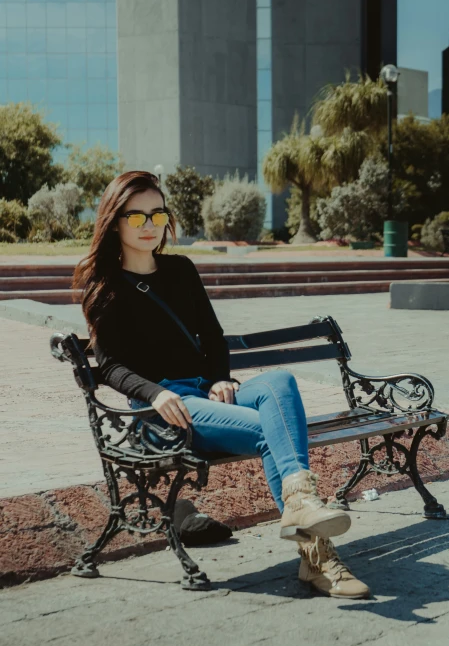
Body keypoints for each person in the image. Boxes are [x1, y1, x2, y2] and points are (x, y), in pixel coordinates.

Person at [73, 171, 370, 600]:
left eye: (157, 213)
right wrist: (156, 393)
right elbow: (113, 366)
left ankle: (300, 501)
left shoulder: (180, 270)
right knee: (275, 433)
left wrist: (219, 379)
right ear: (114, 221)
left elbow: (211, 336)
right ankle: (320, 561)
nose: (149, 224)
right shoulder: (106, 287)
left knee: (279, 382)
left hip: (204, 394)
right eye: (136, 216)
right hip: (164, 414)